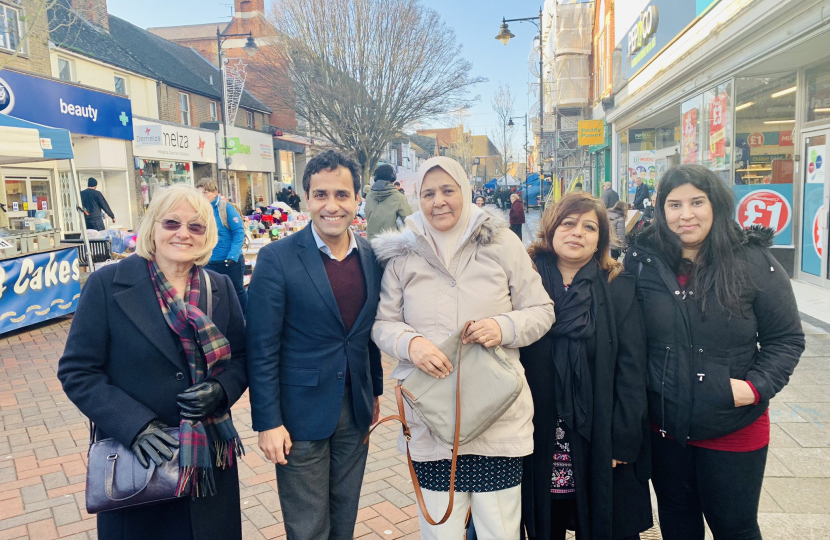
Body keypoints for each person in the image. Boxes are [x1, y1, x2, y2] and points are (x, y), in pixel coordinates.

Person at [371, 156, 555, 540]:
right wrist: (412, 344)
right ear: (417, 198)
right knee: (440, 531)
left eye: (448, 190)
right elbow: (383, 323)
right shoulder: (402, 253)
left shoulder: (502, 242)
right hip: (432, 418)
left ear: (466, 191)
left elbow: (541, 310)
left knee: (499, 530)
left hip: (497, 415)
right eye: (428, 193)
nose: (439, 201)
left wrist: (502, 327)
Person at [624, 165, 805, 540]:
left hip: (733, 426)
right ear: (660, 209)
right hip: (666, 427)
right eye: (674, 204)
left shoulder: (752, 261)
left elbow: (785, 338)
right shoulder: (643, 263)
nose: (685, 214)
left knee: (734, 527)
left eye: (696, 202)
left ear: (715, 204)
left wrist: (753, 388)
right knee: (677, 523)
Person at [58, 185, 248, 540]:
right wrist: (136, 426)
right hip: (139, 461)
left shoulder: (219, 286)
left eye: (196, 227)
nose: (182, 233)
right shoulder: (107, 284)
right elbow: (78, 371)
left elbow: (241, 357)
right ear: (152, 228)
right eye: (172, 222)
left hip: (207, 460)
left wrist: (222, 389)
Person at [246, 150, 384, 540]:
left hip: (354, 409)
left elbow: (367, 332)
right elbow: (261, 347)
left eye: (342, 195)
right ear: (306, 198)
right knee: (308, 526)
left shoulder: (372, 257)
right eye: (321, 195)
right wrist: (268, 421)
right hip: (299, 414)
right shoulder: (277, 259)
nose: (331, 205)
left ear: (358, 199)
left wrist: (374, 389)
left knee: (344, 516)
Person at [521, 193, 652, 540]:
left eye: (589, 227)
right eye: (568, 223)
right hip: (536, 440)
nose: (577, 232)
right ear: (550, 230)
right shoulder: (523, 283)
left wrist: (622, 443)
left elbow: (632, 370)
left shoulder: (618, 288)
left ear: (601, 240)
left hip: (598, 441)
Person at [197, 179, 248, 312]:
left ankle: (246, 318)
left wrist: (233, 255)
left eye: (205, 192)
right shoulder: (199, 209)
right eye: (199, 193)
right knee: (213, 293)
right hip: (209, 260)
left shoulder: (225, 208)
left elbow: (238, 231)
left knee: (237, 290)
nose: (201, 196)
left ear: (215, 193)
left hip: (230, 261)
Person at [364, 164, 413, 240]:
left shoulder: (369, 196)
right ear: (393, 178)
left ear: (375, 177)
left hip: (370, 243)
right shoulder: (399, 197)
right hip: (390, 245)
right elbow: (410, 223)